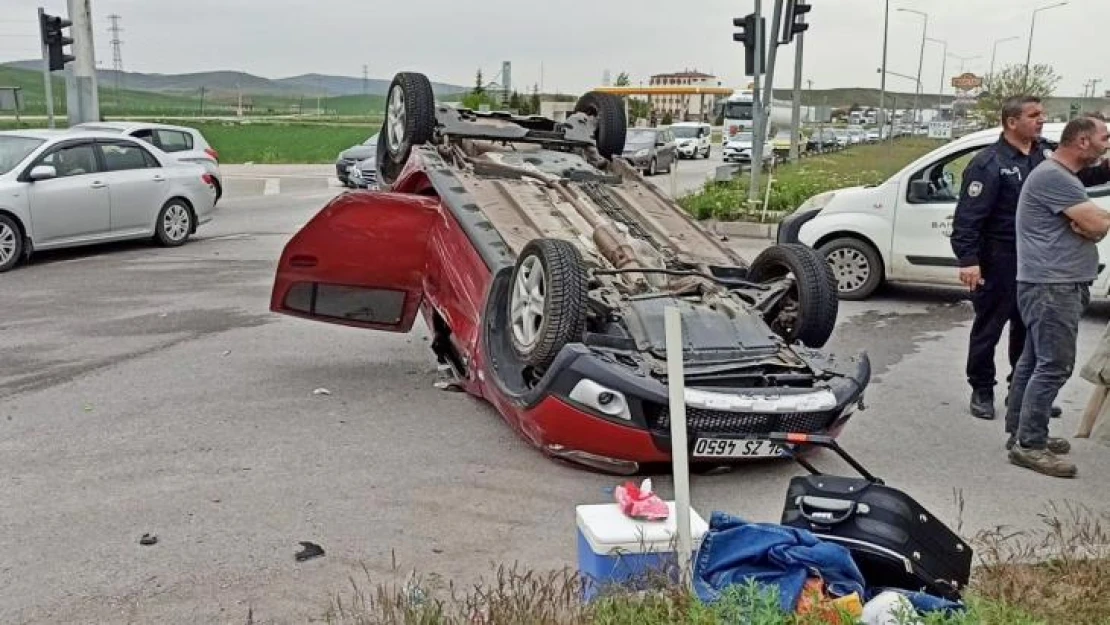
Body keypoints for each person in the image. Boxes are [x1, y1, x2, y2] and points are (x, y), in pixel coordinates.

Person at [950, 97, 1110, 420]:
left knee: (1029, 331)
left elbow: (1082, 176)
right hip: (999, 258)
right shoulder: (989, 163)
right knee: (988, 328)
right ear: (1011, 122)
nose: (1041, 120)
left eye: (1041, 114)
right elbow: (968, 218)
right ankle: (982, 388)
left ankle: (1021, 392)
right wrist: (968, 259)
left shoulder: (1045, 154)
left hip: (1036, 259)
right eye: (1033, 115)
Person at [1006, 113, 1110, 478]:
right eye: (1104, 137)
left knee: (1034, 362)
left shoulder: (1064, 177)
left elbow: (1091, 228)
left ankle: (1020, 433)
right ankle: (1029, 445)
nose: (1107, 144)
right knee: (1053, 366)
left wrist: (1091, 227)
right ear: (1082, 141)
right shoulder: (1055, 177)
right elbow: (1097, 224)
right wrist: (1095, 224)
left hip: (1052, 284)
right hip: (1052, 287)